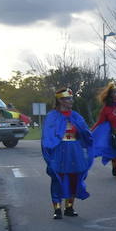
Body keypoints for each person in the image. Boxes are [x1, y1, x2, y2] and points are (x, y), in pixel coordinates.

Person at [42, 88, 92, 219]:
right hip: (60, 150)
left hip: (75, 150)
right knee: (58, 178)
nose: (71, 101)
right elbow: (48, 136)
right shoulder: (52, 116)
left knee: (74, 178)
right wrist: (50, 153)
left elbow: (85, 132)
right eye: (68, 99)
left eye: (71, 98)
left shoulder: (76, 116)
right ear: (60, 100)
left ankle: (69, 207)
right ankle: (57, 209)